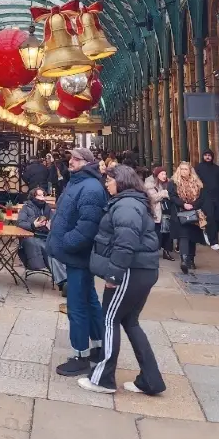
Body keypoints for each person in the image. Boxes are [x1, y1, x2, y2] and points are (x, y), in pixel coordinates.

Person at [78, 164, 166, 396]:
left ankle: (103, 379)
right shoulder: (134, 201)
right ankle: (151, 379)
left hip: (129, 272)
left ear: (122, 181)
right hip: (142, 270)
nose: (106, 183)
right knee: (131, 322)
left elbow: (125, 242)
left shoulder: (126, 205)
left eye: (109, 179)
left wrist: (114, 275)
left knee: (109, 320)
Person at [46, 147, 107, 376]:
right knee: (89, 299)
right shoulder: (79, 182)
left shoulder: (89, 188)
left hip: (77, 255)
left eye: (75, 158)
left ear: (86, 162)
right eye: (71, 157)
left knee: (77, 305)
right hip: (77, 255)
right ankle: (100, 346)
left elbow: (87, 226)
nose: (70, 161)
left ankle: (80, 355)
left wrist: (65, 242)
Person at [17, 187, 67, 290]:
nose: (42, 197)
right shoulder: (26, 208)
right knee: (48, 251)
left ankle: (67, 280)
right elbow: (20, 223)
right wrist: (33, 225)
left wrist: (50, 227)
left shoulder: (48, 208)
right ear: (33, 196)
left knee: (59, 251)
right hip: (32, 236)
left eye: (43, 195)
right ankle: (63, 282)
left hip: (47, 236)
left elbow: (56, 224)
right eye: (39, 195)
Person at [168, 162, 205, 274]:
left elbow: (202, 197)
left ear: (190, 170)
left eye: (186, 169)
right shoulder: (173, 182)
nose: (184, 171)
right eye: (182, 169)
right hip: (180, 213)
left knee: (192, 236)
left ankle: (191, 260)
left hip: (194, 212)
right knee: (183, 236)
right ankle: (184, 260)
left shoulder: (197, 183)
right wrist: (183, 204)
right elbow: (172, 196)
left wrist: (193, 205)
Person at [195, 149, 219, 251]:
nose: (208, 157)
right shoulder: (198, 168)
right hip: (205, 197)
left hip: (218, 197)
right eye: (206, 155)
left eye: (209, 155)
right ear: (203, 156)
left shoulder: (217, 169)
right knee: (210, 218)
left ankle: (208, 232)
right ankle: (214, 242)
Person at [144, 167, 173, 260]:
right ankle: (154, 252)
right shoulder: (150, 185)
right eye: (162, 174)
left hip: (167, 212)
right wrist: (163, 193)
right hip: (157, 213)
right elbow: (152, 199)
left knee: (167, 233)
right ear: (157, 175)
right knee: (157, 233)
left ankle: (166, 251)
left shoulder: (169, 184)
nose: (164, 176)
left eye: (165, 174)